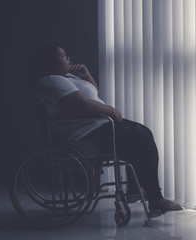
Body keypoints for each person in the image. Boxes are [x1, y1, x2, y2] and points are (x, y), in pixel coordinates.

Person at [32, 42, 183, 215]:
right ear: (50, 62)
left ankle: (136, 191)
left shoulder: (67, 78)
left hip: (98, 124)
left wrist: (86, 75)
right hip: (85, 132)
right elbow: (78, 104)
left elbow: (93, 94)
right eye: (63, 55)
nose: (68, 58)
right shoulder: (51, 81)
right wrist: (111, 111)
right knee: (140, 140)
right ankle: (156, 200)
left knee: (144, 133)